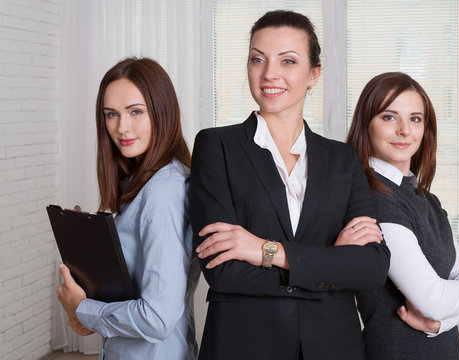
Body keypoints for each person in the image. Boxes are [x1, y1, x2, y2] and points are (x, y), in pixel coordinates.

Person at [189, 10, 390, 360]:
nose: (270, 74)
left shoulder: (342, 159)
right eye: (258, 59)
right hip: (244, 344)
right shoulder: (216, 146)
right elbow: (223, 271)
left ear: (314, 75)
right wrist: (332, 262)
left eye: (288, 61)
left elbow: (372, 266)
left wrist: (267, 251)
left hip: (332, 346)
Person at [56, 57, 200, 360]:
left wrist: (83, 309)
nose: (122, 127)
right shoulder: (140, 184)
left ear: (163, 112)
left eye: (136, 111)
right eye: (111, 114)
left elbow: (158, 318)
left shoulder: (163, 191)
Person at [347, 72, 459, 360]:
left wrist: (441, 323)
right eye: (389, 117)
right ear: (367, 125)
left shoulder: (425, 199)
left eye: (415, 119)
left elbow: (444, 295)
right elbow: (435, 300)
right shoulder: (376, 201)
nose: (405, 131)